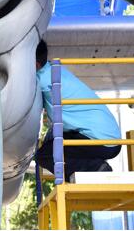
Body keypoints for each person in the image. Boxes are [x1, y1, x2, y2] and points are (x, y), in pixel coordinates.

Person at [35, 40, 121, 182]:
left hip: (103, 142)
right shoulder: (54, 69)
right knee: (52, 142)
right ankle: (92, 168)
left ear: (36, 64)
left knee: (45, 155)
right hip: (109, 138)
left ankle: (96, 169)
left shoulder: (43, 80)